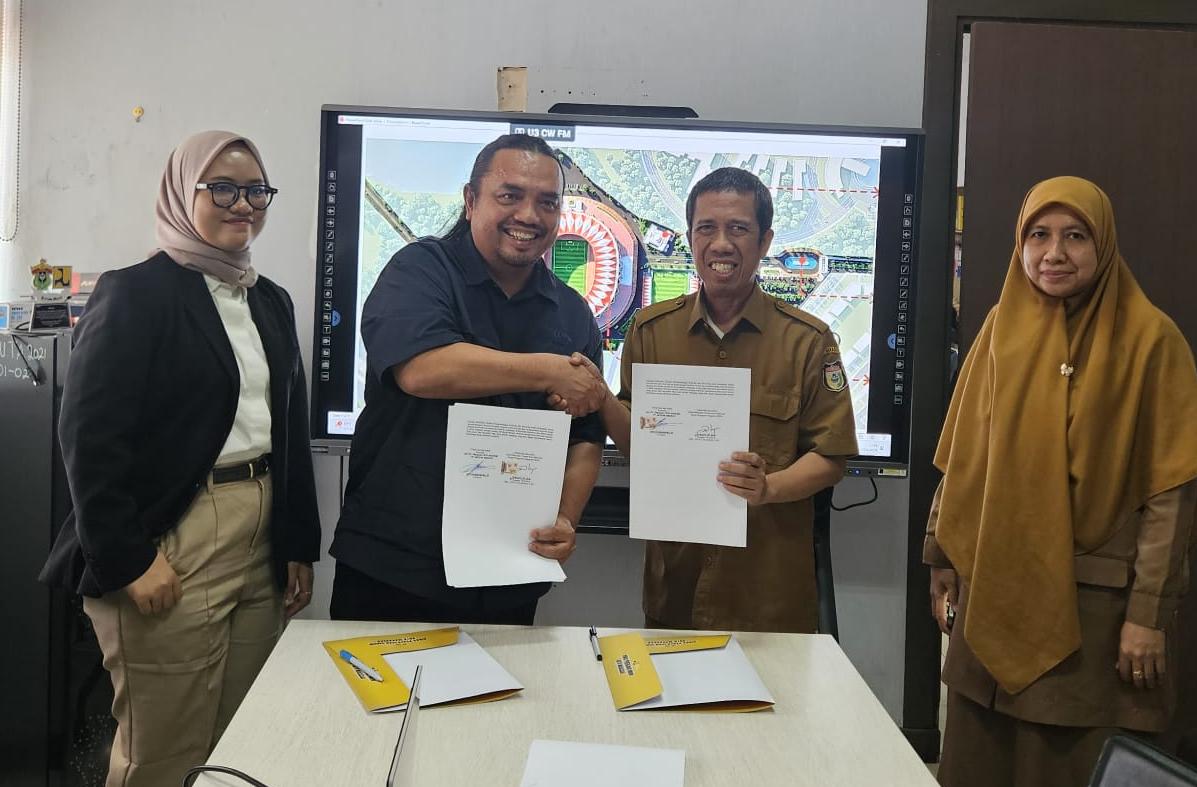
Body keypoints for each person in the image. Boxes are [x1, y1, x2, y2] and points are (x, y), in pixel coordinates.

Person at [39, 130, 322, 787]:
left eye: (255, 190)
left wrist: (297, 543)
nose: (241, 203)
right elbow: (88, 437)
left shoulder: (269, 300)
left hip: (260, 526)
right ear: (179, 193)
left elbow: (289, 429)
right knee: (164, 751)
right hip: (175, 530)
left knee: (242, 739)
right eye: (221, 188)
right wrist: (128, 559)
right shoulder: (136, 293)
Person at [925, 176, 1197, 787]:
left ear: (1103, 244)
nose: (1053, 253)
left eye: (1075, 236)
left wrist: (1148, 615)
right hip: (992, 594)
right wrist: (941, 555)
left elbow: (1170, 495)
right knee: (980, 763)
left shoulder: (1149, 340)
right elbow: (964, 455)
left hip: (1095, 618)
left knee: (1069, 766)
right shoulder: (1001, 328)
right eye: (1038, 235)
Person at [566, 167, 859, 633]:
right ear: (690, 238)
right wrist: (601, 397)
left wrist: (769, 488)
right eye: (707, 228)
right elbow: (640, 444)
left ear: (764, 242)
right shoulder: (651, 331)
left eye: (738, 229)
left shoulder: (807, 341)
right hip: (674, 590)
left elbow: (831, 456)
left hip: (768, 594)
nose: (721, 244)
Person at [329, 134, 606, 625]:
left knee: (505, 679)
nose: (529, 215)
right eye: (510, 195)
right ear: (471, 199)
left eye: (547, 202)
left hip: (510, 568)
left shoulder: (572, 312)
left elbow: (585, 435)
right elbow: (422, 370)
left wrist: (566, 517)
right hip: (395, 565)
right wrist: (548, 370)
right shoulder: (420, 270)